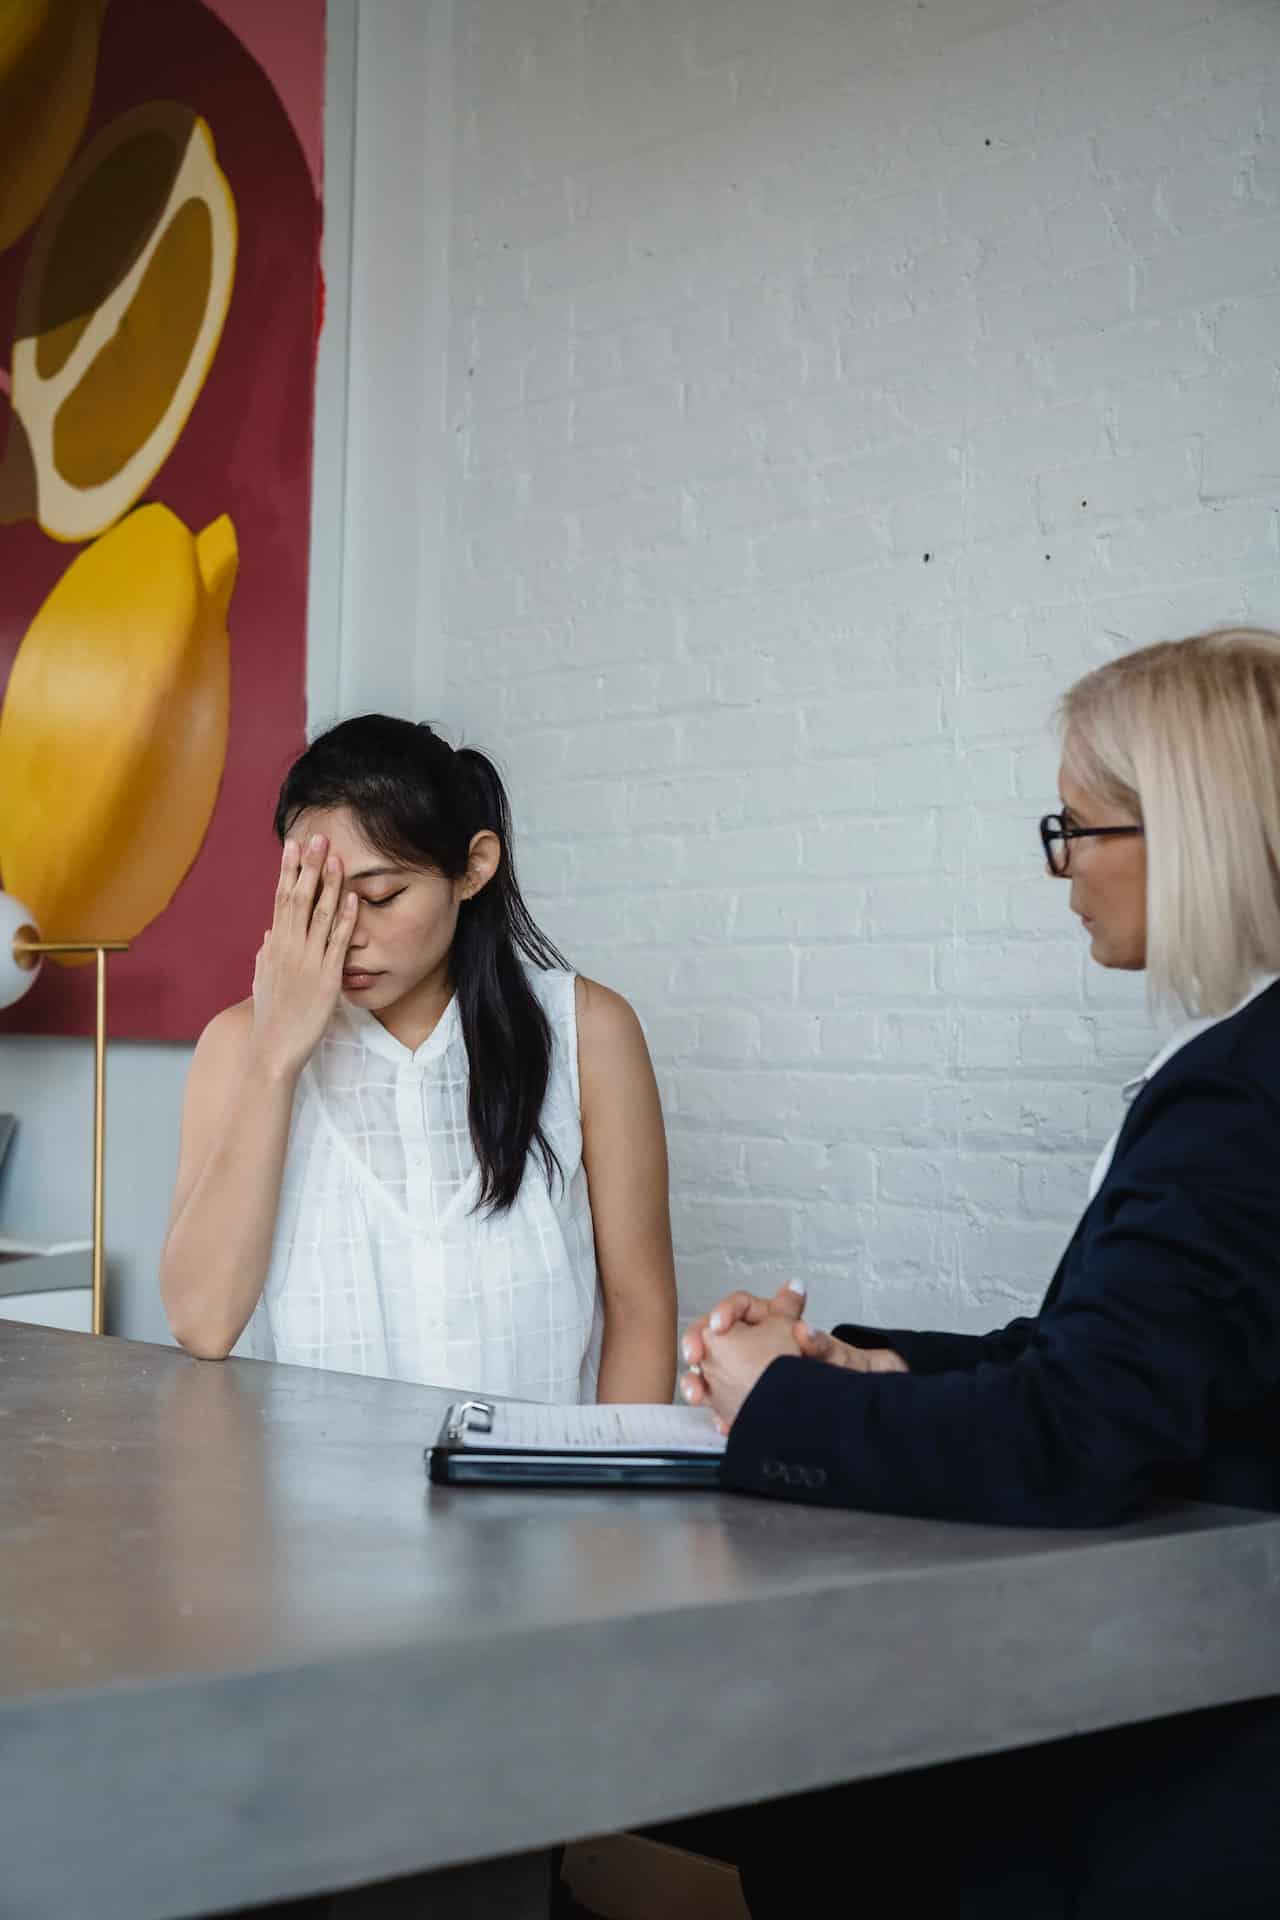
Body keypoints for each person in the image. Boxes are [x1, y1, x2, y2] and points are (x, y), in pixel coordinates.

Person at [678, 629, 1280, 1917]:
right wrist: (875, 1363)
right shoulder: (1240, 1064)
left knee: (814, 1782)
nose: (1061, 871)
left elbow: (1080, 1435)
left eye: (1076, 828)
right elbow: (1137, 1360)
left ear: (1185, 832)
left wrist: (780, 1401)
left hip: (1206, 1752)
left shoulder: (1234, 1093)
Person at [161, 714, 676, 1405]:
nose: (347, 933)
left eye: (379, 897)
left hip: (538, 1502)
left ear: (473, 868)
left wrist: (615, 1496)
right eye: (317, 897)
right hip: (301, 1508)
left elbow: (640, 1313)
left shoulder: (590, 1032)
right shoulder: (237, 1047)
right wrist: (275, 1056)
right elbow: (202, 1323)